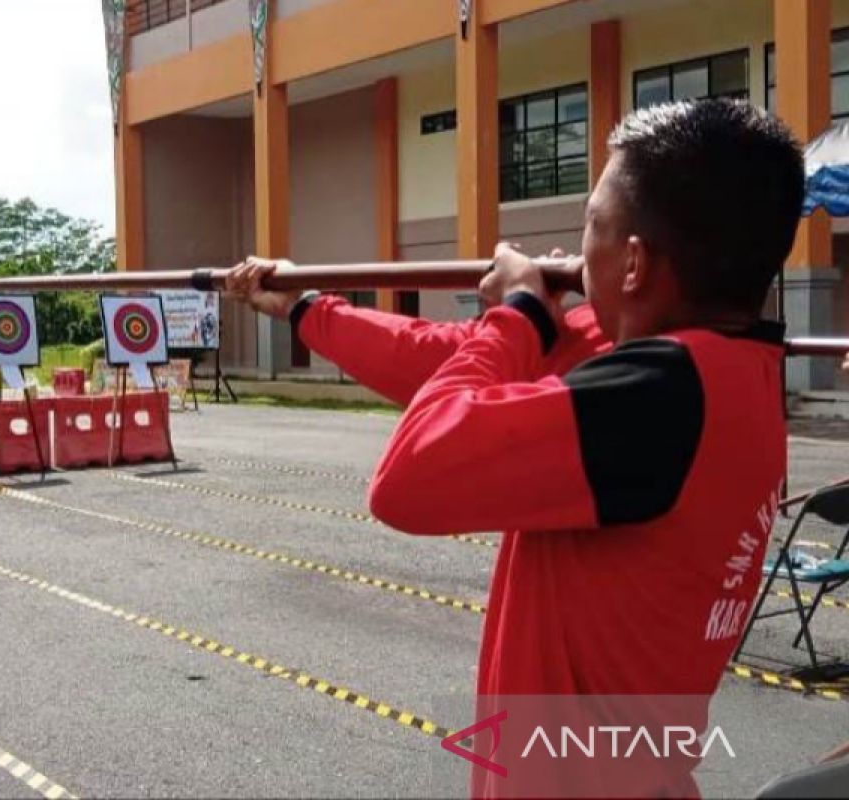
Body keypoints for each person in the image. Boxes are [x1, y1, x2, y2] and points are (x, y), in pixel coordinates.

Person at [227, 99, 805, 798]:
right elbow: (447, 363)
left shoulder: (656, 395)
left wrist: (521, 312)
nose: (574, 247)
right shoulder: (718, 370)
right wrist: (307, 309)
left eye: (592, 224)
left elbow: (410, 478)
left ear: (634, 263)